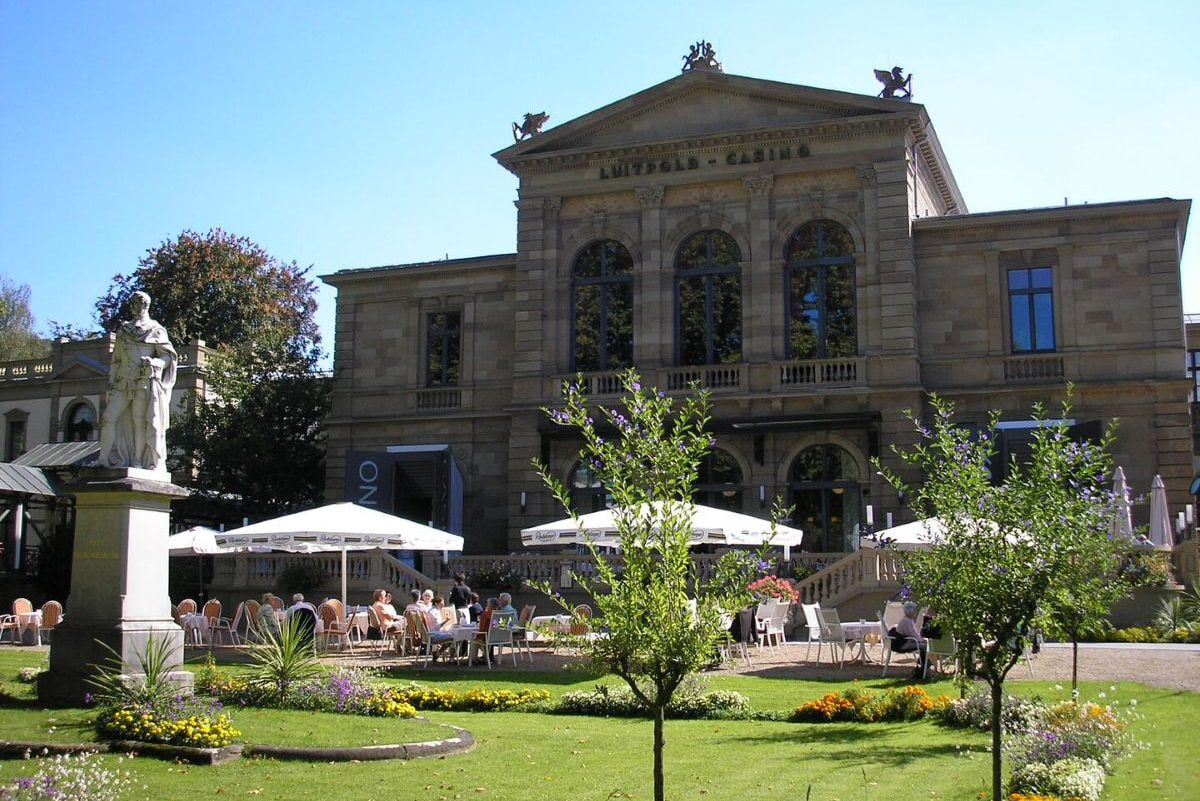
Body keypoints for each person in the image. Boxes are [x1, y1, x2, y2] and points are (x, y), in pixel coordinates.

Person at [96, 291, 178, 471]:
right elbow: (116, 360)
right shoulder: (124, 330)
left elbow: (168, 358)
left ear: (145, 306)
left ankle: (138, 460)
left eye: (136, 305)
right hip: (123, 381)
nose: (133, 308)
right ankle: (103, 459)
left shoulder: (155, 330)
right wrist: (111, 382)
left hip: (143, 380)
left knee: (139, 421)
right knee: (109, 417)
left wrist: (156, 362)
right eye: (131, 305)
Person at [890, 601, 927, 679]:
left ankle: (923, 667)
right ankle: (922, 670)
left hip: (906, 642)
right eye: (914, 610)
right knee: (924, 647)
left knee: (925, 645)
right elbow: (912, 634)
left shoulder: (909, 620)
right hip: (901, 644)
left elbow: (914, 634)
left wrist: (922, 640)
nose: (915, 612)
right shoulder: (906, 621)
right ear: (911, 611)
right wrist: (921, 640)